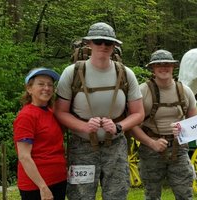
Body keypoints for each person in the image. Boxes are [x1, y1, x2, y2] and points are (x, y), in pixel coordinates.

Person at [54, 22, 144, 200]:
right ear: (89, 43)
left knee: (117, 195)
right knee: (80, 196)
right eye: (98, 41)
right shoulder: (72, 73)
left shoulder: (126, 74)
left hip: (116, 146)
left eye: (108, 42)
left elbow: (138, 113)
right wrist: (83, 126)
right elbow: (59, 111)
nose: (103, 46)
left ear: (114, 46)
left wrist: (119, 126)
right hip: (82, 147)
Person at [130, 50, 197, 200]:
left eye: (167, 64)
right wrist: (151, 143)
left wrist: (184, 131)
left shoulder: (185, 91)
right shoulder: (142, 91)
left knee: (185, 195)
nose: (163, 67)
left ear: (173, 67)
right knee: (152, 195)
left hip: (178, 150)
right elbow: (132, 125)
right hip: (150, 150)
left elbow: (195, 123)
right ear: (152, 68)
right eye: (158, 64)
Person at [14, 68, 66, 200]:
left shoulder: (51, 112)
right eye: (41, 84)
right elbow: (24, 157)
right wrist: (42, 187)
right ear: (29, 89)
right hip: (37, 187)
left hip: (58, 180)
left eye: (50, 85)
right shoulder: (26, 116)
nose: (46, 88)